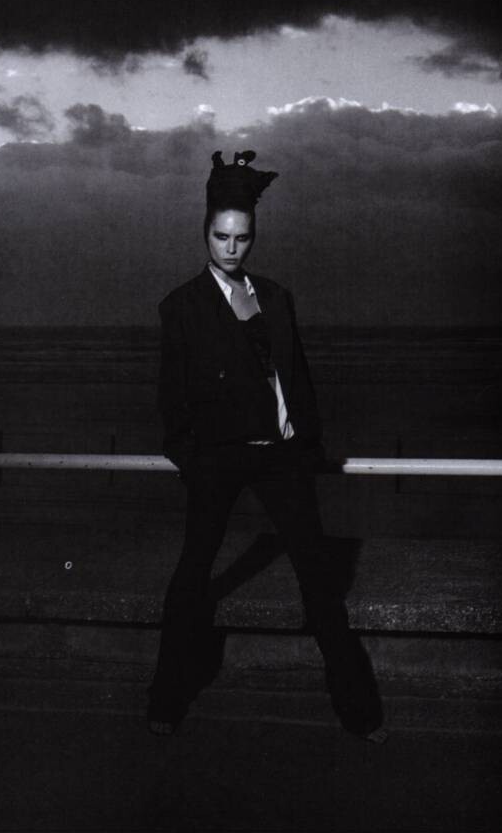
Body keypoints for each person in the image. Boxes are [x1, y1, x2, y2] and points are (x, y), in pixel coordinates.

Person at [147, 150, 386, 742]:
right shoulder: (181, 306)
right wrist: (194, 460)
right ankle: (165, 701)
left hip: (281, 458)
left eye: (242, 238)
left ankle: (359, 713)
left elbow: (296, 376)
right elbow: (171, 400)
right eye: (221, 236)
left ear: (254, 236)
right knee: (193, 573)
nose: (232, 248)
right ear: (205, 232)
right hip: (220, 459)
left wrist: (306, 444)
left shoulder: (276, 296)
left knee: (318, 580)